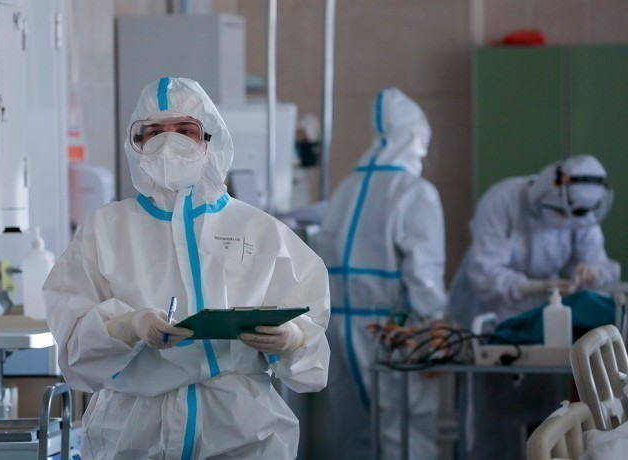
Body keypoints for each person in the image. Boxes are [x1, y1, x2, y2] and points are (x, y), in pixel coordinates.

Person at [43, 77, 330, 460]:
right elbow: (74, 352)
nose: (168, 143)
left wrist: (292, 340)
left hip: (242, 435)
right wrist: (126, 327)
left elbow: (311, 362)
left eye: (184, 130)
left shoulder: (260, 232)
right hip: (134, 438)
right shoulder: (105, 231)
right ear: (137, 143)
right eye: (155, 132)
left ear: (208, 140)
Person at [448, 154, 620, 460]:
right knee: (490, 421)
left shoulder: (581, 211)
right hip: (490, 316)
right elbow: (484, 275)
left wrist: (592, 272)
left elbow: (600, 263)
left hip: (541, 321)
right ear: (550, 192)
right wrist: (535, 286)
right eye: (563, 216)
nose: (568, 223)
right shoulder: (504, 200)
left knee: (541, 415)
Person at [313, 87, 447, 459]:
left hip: (340, 331)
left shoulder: (346, 189)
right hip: (396, 331)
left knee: (352, 436)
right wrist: (435, 326)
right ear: (415, 135)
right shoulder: (415, 192)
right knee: (406, 434)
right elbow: (423, 272)